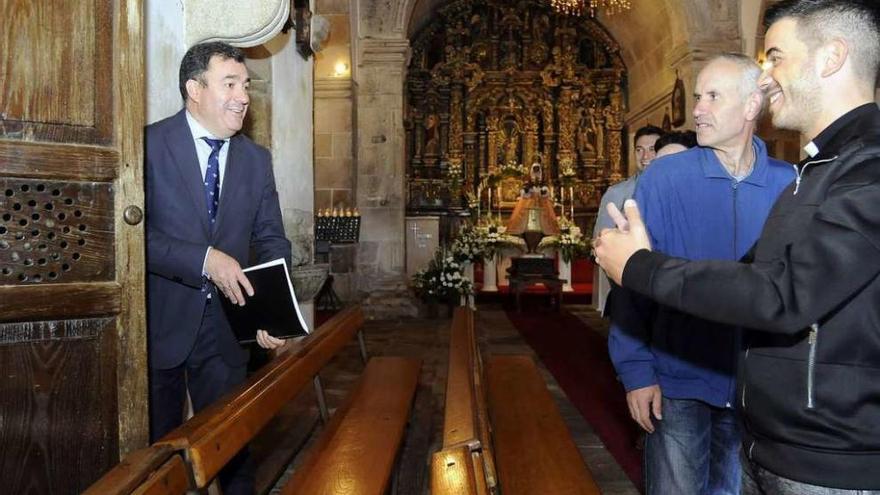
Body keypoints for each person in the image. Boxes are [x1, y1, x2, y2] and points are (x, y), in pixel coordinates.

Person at [594, 1, 880, 492]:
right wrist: (638, 364)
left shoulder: (859, 169)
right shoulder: (814, 173)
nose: (768, 78)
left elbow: (779, 294)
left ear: (832, 57)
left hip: (827, 455)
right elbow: (749, 276)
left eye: (776, 57)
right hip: (769, 432)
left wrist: (641, 266)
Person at [608, 54, 795, 495]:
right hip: (678, 378)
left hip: (757, 389)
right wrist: (636, 371)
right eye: (697, 97)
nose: (697, 110)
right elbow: (632, 281)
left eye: (713, 97)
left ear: (752, 106)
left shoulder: (789, 183)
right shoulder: (665, 178)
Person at [145, 41, 291, 494]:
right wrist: (203, 260)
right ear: (194, 88)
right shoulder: (147, 144)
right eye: (230, 83)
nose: (243, 96)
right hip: (159, 324)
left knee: (234, 451)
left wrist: (271, 312)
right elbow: (131, 238)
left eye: (245, 85)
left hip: (228, 329)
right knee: (156, 456)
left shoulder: (256, 159)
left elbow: (271, 238)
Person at [592, 125, 663, 313]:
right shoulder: (617, 192)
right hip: (628, 284)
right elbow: (599, 241)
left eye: (652, 149)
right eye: (639, 150)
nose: (645, 157)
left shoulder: (677, 190)